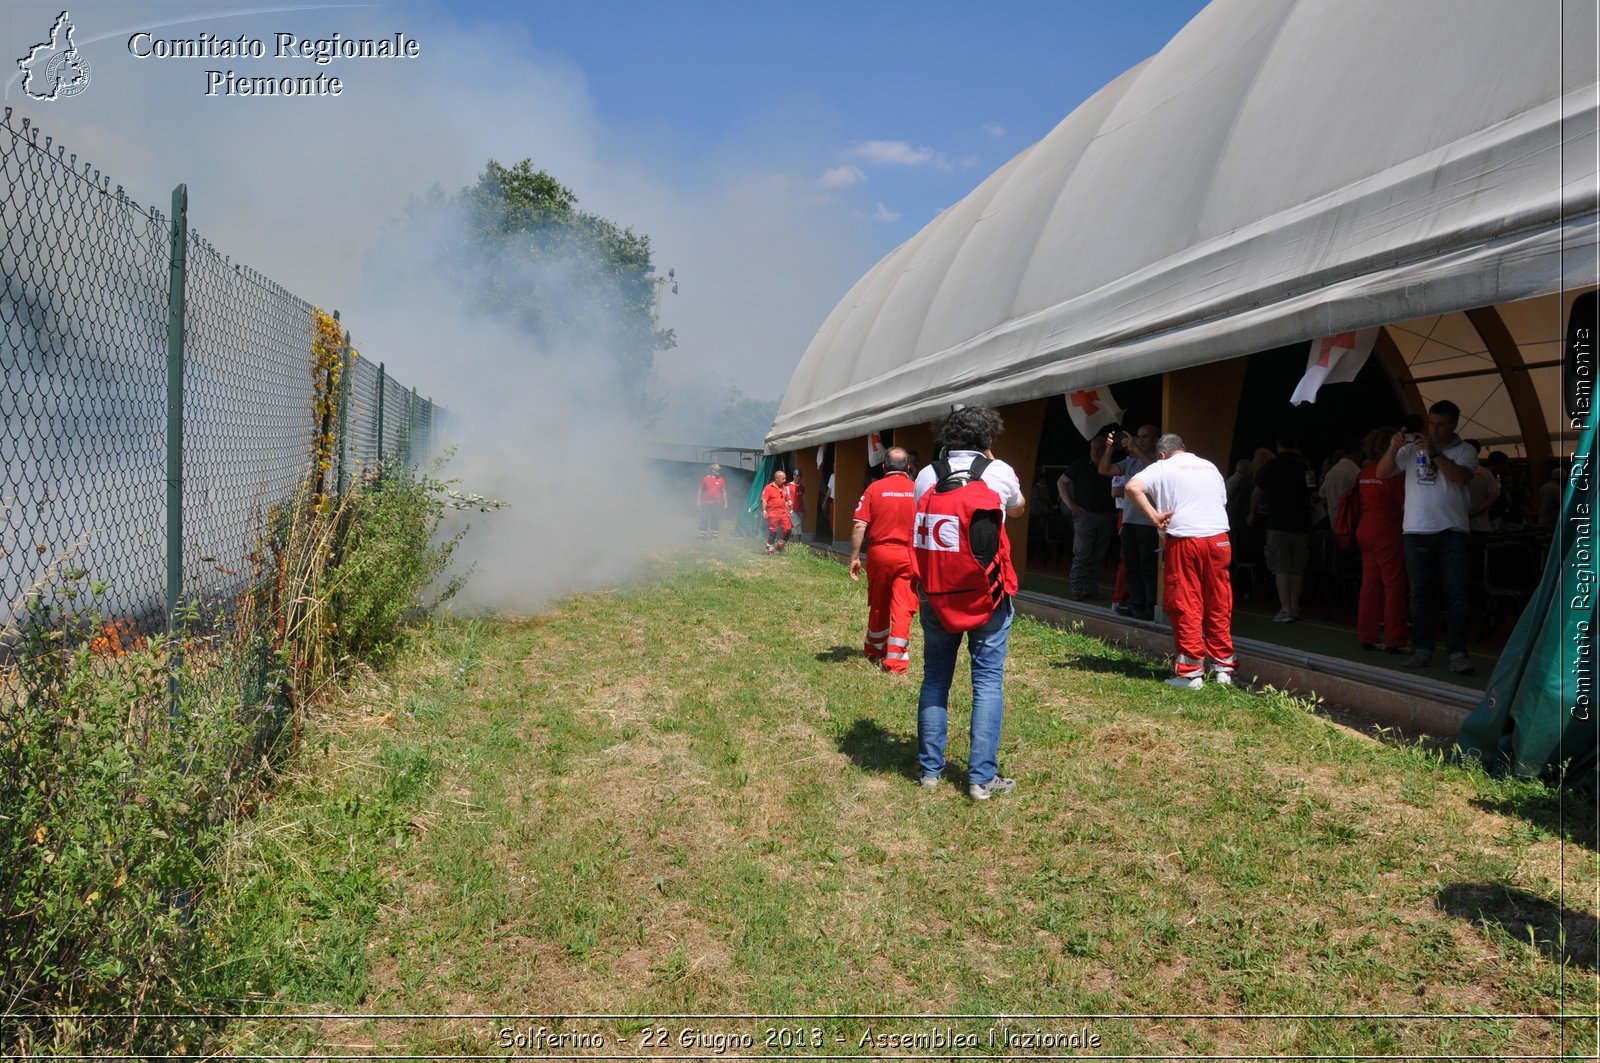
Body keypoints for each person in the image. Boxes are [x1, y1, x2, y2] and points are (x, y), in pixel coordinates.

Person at [912, 406, 1026, 800]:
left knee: (935, 679)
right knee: (988, 683)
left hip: (938, 594)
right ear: (989, 439)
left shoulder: (927, 475)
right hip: (987, 595)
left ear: (945, 436)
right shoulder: (1000, 472)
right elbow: (1017, 507)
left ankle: (929, 772)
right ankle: (981, 778)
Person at [1125, 434, 1235, 689]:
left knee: (1186, 602)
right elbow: (1221, 500)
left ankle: (1190, 674)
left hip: (1186, 539)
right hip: (1219, 538)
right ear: (1183, 449)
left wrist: (1154, 516)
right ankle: (1223, 670)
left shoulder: (1162, 466)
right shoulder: (1209, 466)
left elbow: (1132, 487)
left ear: (1162, 453)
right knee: (1219, 600)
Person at [1378, 399, 1479, 674]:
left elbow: (1460, 478)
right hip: (1417, 530)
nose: (1434, 430)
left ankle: (1458, 653)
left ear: (1454, 425)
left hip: (1452, 531)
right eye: (1431, 424)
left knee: (1456, 594)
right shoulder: (1411, 448)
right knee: (1420, 594)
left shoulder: (1465, 450)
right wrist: (1393, 447)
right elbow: (1382, 473)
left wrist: (1434, 454)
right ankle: (1422, 649)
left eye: (1441, 425)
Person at [849, 447, 919, 672]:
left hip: (880, 553)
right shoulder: (918, 489)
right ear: (908, 467)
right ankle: (896, 661)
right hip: (909, 554)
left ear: (884, 467)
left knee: (879, 602)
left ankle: (875, 650)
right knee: (903, 605)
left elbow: (860, 524)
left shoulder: (874, 488)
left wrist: (854, 557)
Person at [1353, 427, 1408, 653]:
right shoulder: (1394, 474)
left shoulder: (1365, 472)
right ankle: (1395, 639)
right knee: (1394, 586)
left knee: (1370, 585)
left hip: (1365, 530)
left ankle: (1368, 635)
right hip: (1388, 531)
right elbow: (1405, 503)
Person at [1250, 431, 1314, 622]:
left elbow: (1256, 492)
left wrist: (1252, 513)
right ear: (1296, 445)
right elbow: (1313, 491)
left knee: (1281, 567)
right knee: (1297, 567)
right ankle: (1294, 607)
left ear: (1278, 445)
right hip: (1302, 523)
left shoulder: (1271, 465)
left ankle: (1284, 609)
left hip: (1278, 522)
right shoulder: (1305, 465)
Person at [1100, 423, 1160, 619]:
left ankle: (1150, 608)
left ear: (1155, 440)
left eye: (1145, 437)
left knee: (1148, 568)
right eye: (1138, 436)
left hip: (1149, 523)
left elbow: (1154, 469)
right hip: (1129, 521)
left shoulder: (1159, 460)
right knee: (1131, 567)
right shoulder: (1130, 462)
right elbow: (1104, 469)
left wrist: (1136, 450)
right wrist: (1109, 449)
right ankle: (1136, 605)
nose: (1140, 440)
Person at [1062, 434, 1116, 600]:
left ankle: (1090, 589)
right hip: (1085, 514)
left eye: (1100, 448)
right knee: (1082, 553)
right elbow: (1061, 482)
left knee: (1099, 554)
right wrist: (1070, 504)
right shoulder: (1080, 464)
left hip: (1106, 515)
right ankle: (1077, 588)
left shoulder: (1112, 466)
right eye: (1094, 447)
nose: (1096, 451)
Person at [761, 469, 793, 554]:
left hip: (783, 513)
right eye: (783, 479)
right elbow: (764, 500)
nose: (785, 480)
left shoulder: (784, 488)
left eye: (785, 478)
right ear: (777, 478)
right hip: (772, 513)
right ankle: (770, 547)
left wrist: (788, 512)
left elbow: (786, 501)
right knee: (773, 531)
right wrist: (764, 511)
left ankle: (780, 545)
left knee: (788, 529)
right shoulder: (768, 488)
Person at [697, 463, 729, 540]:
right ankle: (702, 536)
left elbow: (724, 491)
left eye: (719, 470)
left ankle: (714, 536)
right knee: (704, 518)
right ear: (712, 470)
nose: (719, 471)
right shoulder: (706, 479)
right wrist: (698, 501)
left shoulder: (721, 480)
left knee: (715, 519)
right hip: (706, 503)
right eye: (717, 470)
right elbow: (700, 490)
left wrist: (725, 503)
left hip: (717, 503)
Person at [788, 467, 808, 542]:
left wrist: (803, 510)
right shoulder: (789, 486)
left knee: (799, 526)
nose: (798, 477)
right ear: (793, 476)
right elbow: (786, 498)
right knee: (797, 524)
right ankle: (794, 541)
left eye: (799, 476)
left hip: (799, 510)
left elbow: (802, 499)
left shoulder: (802, 487)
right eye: (796, 476)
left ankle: (797, 543)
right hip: (792, 509)